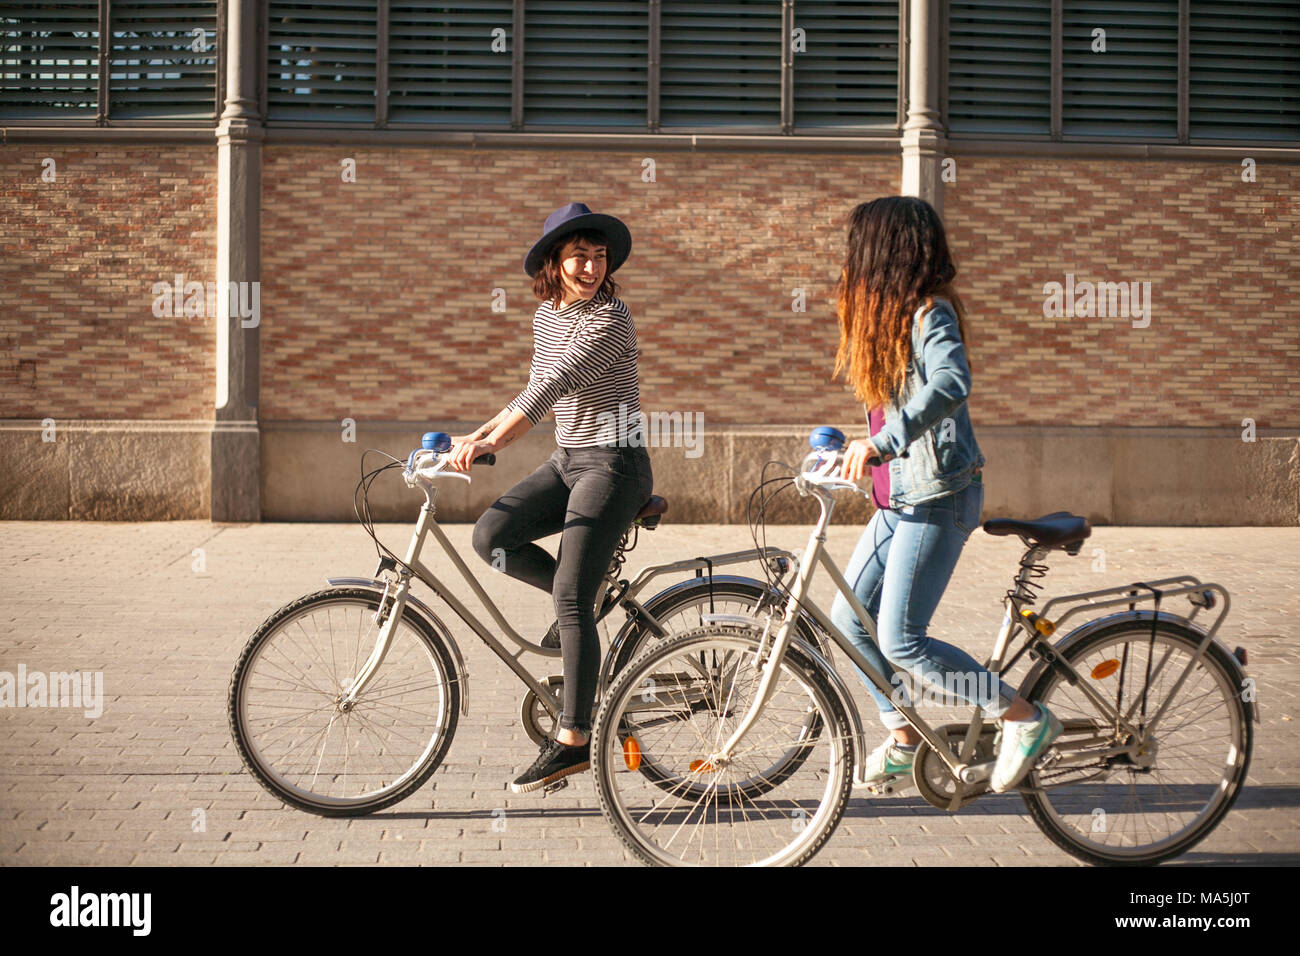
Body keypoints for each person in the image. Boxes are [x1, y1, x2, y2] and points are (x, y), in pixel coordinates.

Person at [828, 196, 1060, 794]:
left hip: (940, 496)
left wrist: (885, 440)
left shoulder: (929, 312)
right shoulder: (883, 317)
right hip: (900, 499)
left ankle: (1024, 718)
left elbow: (952, 382)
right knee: (849, 622)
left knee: (902, 640)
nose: (849, 258)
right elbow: (892, 405)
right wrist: (849, 447)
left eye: (859, 246)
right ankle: (905, 740)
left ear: (885, 251)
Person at [448, 202, 653, 794]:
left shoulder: (612, 319)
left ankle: (573, 743)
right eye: (578, 257)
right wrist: (477, 436)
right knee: (491, 537)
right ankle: (587, 599)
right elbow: (535, 384)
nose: (590, 267)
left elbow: (554, 387)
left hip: (616, 463)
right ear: (554, 264)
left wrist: (494, 440)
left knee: (568, 596)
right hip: (569, 459)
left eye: (599, 257)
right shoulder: (547, 317)